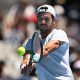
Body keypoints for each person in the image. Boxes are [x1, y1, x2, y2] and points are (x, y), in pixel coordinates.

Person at [21, 4, 74, 80]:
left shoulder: (60, 34)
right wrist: (25, 65)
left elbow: (46, 49)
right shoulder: (31, 41)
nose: (43, 22)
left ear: (54, 21)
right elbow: (27, 58)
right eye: (40, 19)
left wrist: (35, 57)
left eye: (47, 19)